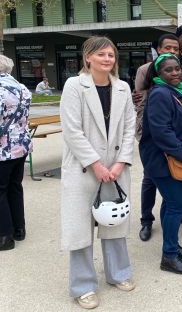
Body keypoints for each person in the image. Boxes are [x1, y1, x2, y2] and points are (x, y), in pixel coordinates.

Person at [60, 36, 136, 309]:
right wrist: (95, 164)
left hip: (115, 168)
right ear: (88, 57)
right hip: (83, 168)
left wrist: (120, 162)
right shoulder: (74, 86)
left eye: (111, 55)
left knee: (114, 221)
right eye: (102, 54)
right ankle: (83, 286)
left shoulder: (123, 88)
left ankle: (119, 273)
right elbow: (72, 130)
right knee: (80, 229)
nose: (107, 59)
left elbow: (130, 128)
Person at [139, 53, 182, 274]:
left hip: (173, 157)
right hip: (164, 160)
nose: (175, 72)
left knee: (170, 203)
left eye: (177, 68)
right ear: (158, 73)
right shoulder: (160, 94)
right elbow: (161, 132)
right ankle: (168, 256)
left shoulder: (174, 91)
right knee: (176, 205)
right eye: (168, 70)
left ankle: (173, 246)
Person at [133, 34, 182, 242]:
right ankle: (148, 223)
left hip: (174, 144)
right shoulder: (155, 85)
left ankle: (172, 246)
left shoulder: (180, 78)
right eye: (168, 48)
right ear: (158, 49)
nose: (172, 52)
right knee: (155, 186)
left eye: (175, 49)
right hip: (158, 145)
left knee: (171, 201)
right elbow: (140, 101)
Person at [0, 55, 32, 251]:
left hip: (2, 149)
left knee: (0, 191)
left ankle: (5, 236)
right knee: (15, 187)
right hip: (20, 146)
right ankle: (19, 229)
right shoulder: (22, 88)